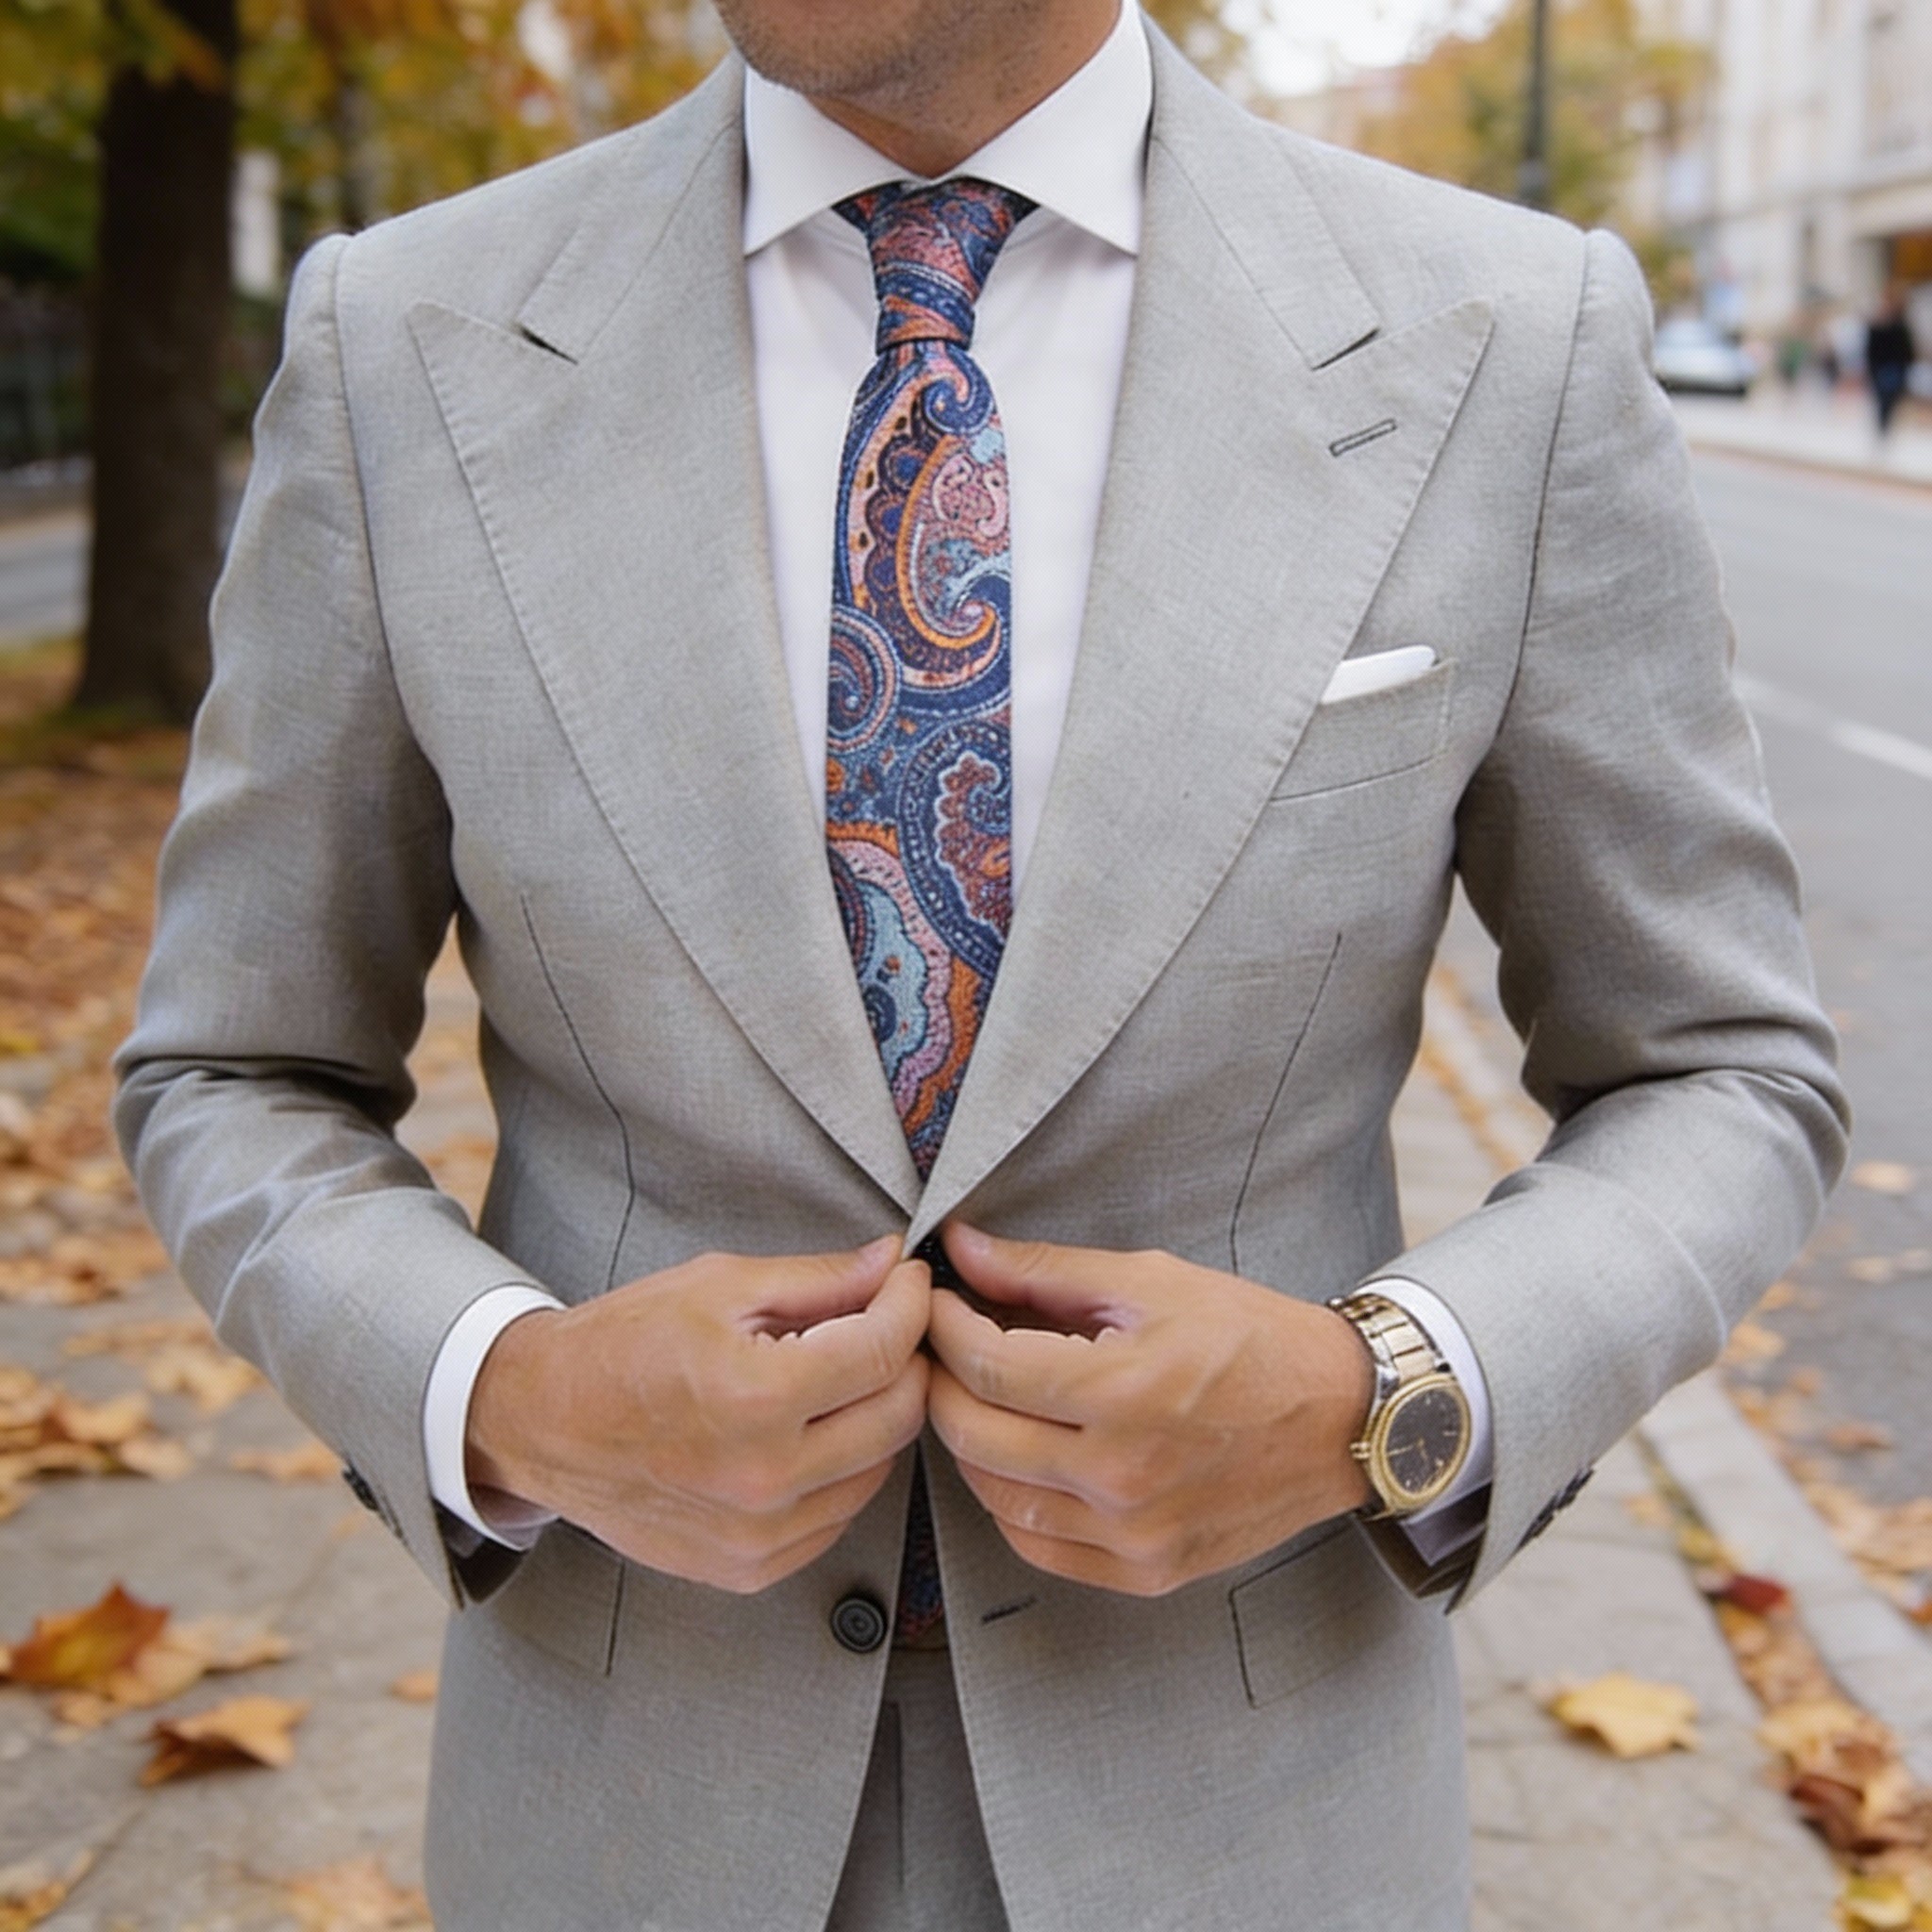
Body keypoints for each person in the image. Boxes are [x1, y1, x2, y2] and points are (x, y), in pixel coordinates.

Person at [114, 2, 1847, 1927]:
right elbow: (234, 1064)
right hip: (626, 1813)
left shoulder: (1506, 341)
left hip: (1250, 1812)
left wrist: (1385, 1396)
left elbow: (1717, 1066)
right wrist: (502, 1393)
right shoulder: (404, 343)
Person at [1867, 281, 1919, 436]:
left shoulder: (1898, 323)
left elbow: (1907, 349)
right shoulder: (1885, 322)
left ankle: (1884, 428)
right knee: (1885, 399)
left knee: (1888, 400)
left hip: (1891, 367)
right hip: (1886, 367)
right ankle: (1883, 429)